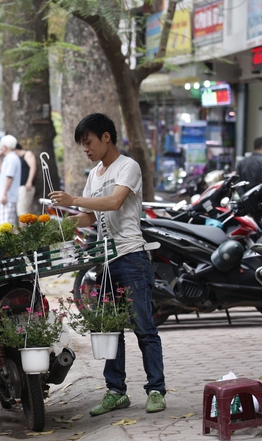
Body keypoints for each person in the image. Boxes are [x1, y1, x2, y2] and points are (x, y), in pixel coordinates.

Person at [49, 113, 166, 416]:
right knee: (111, 329)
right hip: (105, 260)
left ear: (106, 137)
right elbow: (90, 217)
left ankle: (156, 390)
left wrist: (73, 198)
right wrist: (58, 224)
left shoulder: (128, 167)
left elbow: (114, 202)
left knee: (144, 327)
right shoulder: (94, 174)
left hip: (130, 256)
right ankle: (116, 391)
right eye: (82, 145)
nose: (85, 149)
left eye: (88, 143)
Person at [0, 134, 21, 225]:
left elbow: (9, 178)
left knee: (6, 224)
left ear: (5, 146)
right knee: (5, 223)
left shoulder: (11, 158)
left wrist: (4, 194)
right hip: (7, 196)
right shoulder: (10, 158)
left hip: (8, 196)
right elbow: (3, 172)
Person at [15, 143, 37, 218]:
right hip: (18, 187)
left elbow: (33, 167)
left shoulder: (27, 154)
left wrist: (29, 181)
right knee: (22, 212)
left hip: (25, 186)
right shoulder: (17, 158)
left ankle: (23, 229)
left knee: (22, 213)